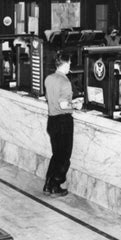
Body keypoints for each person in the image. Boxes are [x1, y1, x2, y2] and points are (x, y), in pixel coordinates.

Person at [43, 52, 82, 197]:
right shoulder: (65, 82)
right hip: (63, 121)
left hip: (52, 120)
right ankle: (56, 185)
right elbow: (65, 104)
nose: (70, 66)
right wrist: (76, 105)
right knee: (64, 156)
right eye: (70, 64)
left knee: (56, 154)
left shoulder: (49, 78)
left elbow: (49, 98)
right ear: (65, 64)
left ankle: (48, 184)